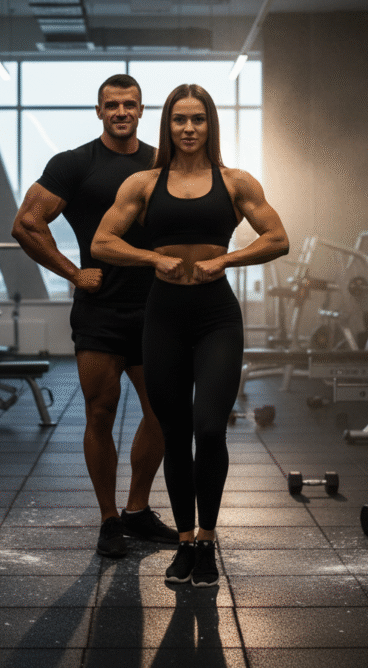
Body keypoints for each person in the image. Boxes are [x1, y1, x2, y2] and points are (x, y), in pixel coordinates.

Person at [91, 83, 289, 586]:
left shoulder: (235, 181)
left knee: (208, 428)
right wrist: (153, 257)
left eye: (198, 119)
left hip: (215, 317)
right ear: (167, 124)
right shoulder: (143, 183)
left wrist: (226, 259)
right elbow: (102, 242)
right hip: (163, 317)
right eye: (180, 119)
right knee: (175, 434)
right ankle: (184, 542)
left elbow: (278, 238)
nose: (188, 128)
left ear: (210, 124)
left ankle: (207, 538)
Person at [12, 74, 178, 558]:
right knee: (99, 412)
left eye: (129, 104)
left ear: (143, 111)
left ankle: (138, 510)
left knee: (162, 413)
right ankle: (109, 520)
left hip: (156, 307)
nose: (121, 111)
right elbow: (26, 223)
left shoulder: (161, 162)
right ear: (99, 110)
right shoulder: (74, 164)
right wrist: (73, 272)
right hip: (100, 311)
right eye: (112, 105)